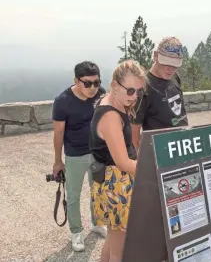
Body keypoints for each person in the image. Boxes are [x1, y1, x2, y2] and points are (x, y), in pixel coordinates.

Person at [89, 60, 146, 262]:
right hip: (119, 185)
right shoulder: (111, 116)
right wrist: (153, 172)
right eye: (130, 90)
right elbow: (123, 162)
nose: (135, 96)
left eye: (139, 91)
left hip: (110, 181)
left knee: (114, 238)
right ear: (114, 86)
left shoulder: (111, 101)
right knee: (121, 251)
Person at [51, 61, 107, 252]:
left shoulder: (101, 93)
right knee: (73, 196)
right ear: (76, 80)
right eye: (87, 83)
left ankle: (98, 223)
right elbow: (58, 133)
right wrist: (58, 161)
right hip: (75, 155)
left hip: (98, 152)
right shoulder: (63, 101)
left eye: (96, 82)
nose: (93, 88)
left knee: (98, 190)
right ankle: (76, 232)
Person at [131, 37, 188, 150]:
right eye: (166, 63)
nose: (170, 69)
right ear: (155, 56)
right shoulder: (143, 87)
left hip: (183, 145)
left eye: (175, 65)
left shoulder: (175, 77)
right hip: (160, 150)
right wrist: (140, 161)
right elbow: (134, 130)